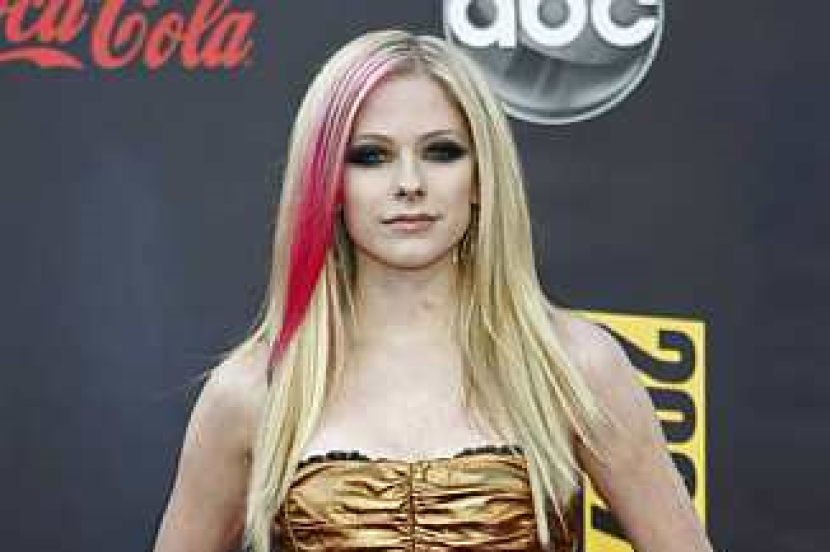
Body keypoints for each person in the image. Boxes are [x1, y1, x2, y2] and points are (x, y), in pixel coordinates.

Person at [152, 30, 715, 552]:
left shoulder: (573, 366)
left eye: (441, 151)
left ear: (482, 177)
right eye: (371, 156)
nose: (409, 184)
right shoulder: (255, 390)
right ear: (328, 182)